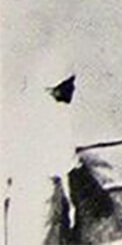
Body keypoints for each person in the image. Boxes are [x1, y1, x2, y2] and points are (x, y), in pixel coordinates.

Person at [3, 53, 76, 245]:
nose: (74, 89)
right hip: (43, 200)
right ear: (59, 87)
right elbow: (67, 168)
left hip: (19, 196)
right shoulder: (59, 115)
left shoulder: (23, 110)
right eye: (70, 84)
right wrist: (73, 205)